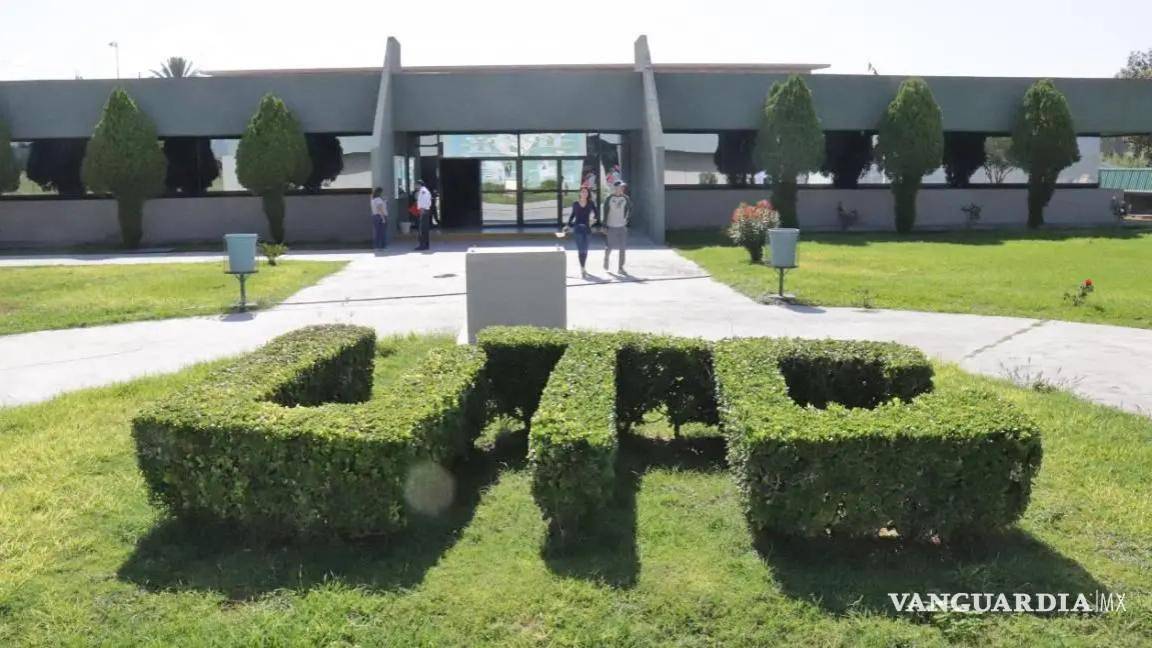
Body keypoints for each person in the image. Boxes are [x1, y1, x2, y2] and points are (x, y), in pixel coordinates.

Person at [566, 186, 598, 276]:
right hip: (578, 228)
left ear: (588, 194)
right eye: (583, 191)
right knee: (581, 249)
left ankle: (583, 267)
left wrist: (593, 221)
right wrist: (568, 225)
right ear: (580, 193)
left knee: (585, 249)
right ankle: (582, 268)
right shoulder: (575, 203)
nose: (584, 193)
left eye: (586, 192)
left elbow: (596, 214)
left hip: (587, 229)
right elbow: (572, 215)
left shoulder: (590, 203)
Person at [601, 181, 631, 273]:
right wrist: (604, 226)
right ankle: (606, 258)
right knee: (610, 246)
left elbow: (630, 209)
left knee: (622, 248)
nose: (622, 189)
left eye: (623, 187)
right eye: (620, 187)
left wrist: (626, 220)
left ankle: (620, 268)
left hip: (622, 226)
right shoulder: (609, 198)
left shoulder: (626, 198)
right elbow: (605, 213)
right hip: (611, 226)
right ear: (615, 188)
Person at [414, 179, 433, 251]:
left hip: (423, 211)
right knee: (424, 229)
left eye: (416, 184)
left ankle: (422, 245)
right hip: (425, 210)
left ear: (419, 185)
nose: (415, 186)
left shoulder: (423, 191)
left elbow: (424, 201)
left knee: (422, 229)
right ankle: (426, 245)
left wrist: (422, 209)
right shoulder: (424, 191)